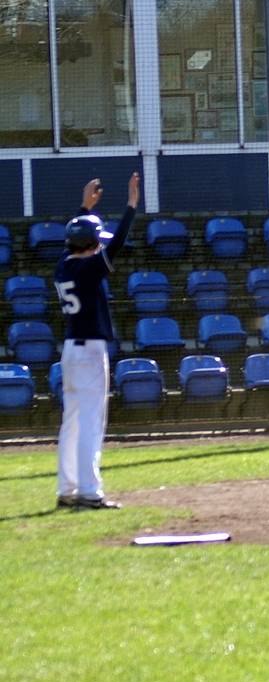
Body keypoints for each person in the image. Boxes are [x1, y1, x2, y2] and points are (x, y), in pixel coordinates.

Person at [54, 173, 140, 510]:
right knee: (90, 423)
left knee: (72, 423)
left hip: (71, 351)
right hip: (89, 353)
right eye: (96, 241)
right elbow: (116, 245)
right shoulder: (87, 269)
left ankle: (67, 489)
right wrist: (131, 205)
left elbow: (75, 240)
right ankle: (89, 492)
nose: (100, 245)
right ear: (90, 244)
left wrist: (83, 209)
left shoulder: (64, 267)